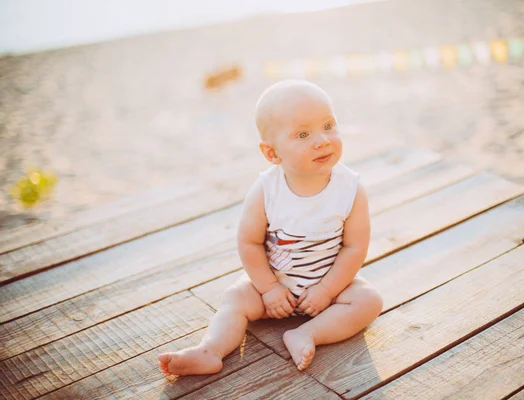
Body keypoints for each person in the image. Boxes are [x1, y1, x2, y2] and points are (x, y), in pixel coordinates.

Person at [158, 79, 383, 375]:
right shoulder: (267, 190)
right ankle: (209, 350)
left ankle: (307, 333)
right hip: (273, 288)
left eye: (328, 126)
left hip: (329, 286)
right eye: (303, 134)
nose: (322, 140)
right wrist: (269, 288)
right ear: (272, 154)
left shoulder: (351, 188)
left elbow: (355, 247)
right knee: (235, 298)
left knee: (369, 301)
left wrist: (327, 289)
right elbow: (249, 243)